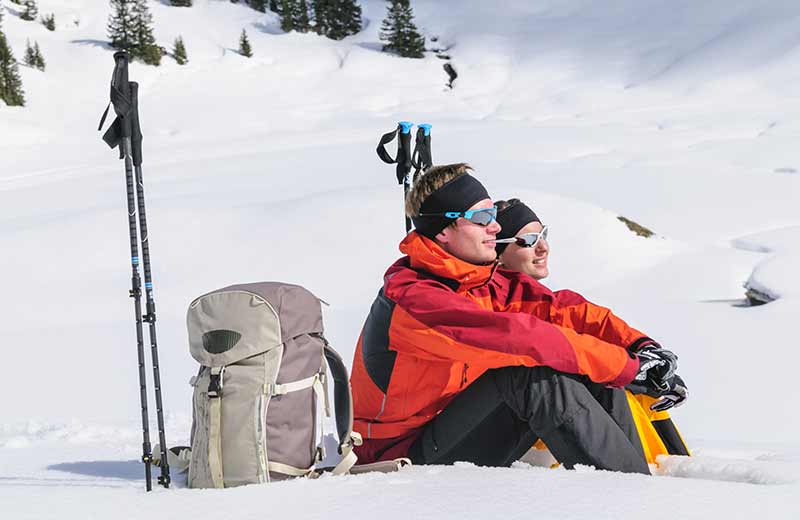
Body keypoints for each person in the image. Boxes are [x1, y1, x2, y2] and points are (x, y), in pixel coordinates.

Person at [350, 163, 680, 474]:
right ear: (442, 232)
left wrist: (639, 349)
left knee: (593, 372)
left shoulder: (482, 281)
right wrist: (628, 367)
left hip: (455, 428)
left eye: (492, 213)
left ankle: (635, 486)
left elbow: (563, 311)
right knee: (533, 378)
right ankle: (631, 497)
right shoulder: (414, 301)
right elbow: (521, 336)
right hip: (400, 456)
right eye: (480, 217)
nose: (494, 226)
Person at [493, 198, 690, 461]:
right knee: (614, 387)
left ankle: (672, 470)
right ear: (497, 253)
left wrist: (646, 352)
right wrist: (632, 368)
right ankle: (648, 478)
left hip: (531, 413)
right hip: (517, 420)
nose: (543, 247)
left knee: (645, 396)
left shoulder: (532, 297)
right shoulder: (502, 302)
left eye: (543, 234)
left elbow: (589, 318)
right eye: (527, 240)